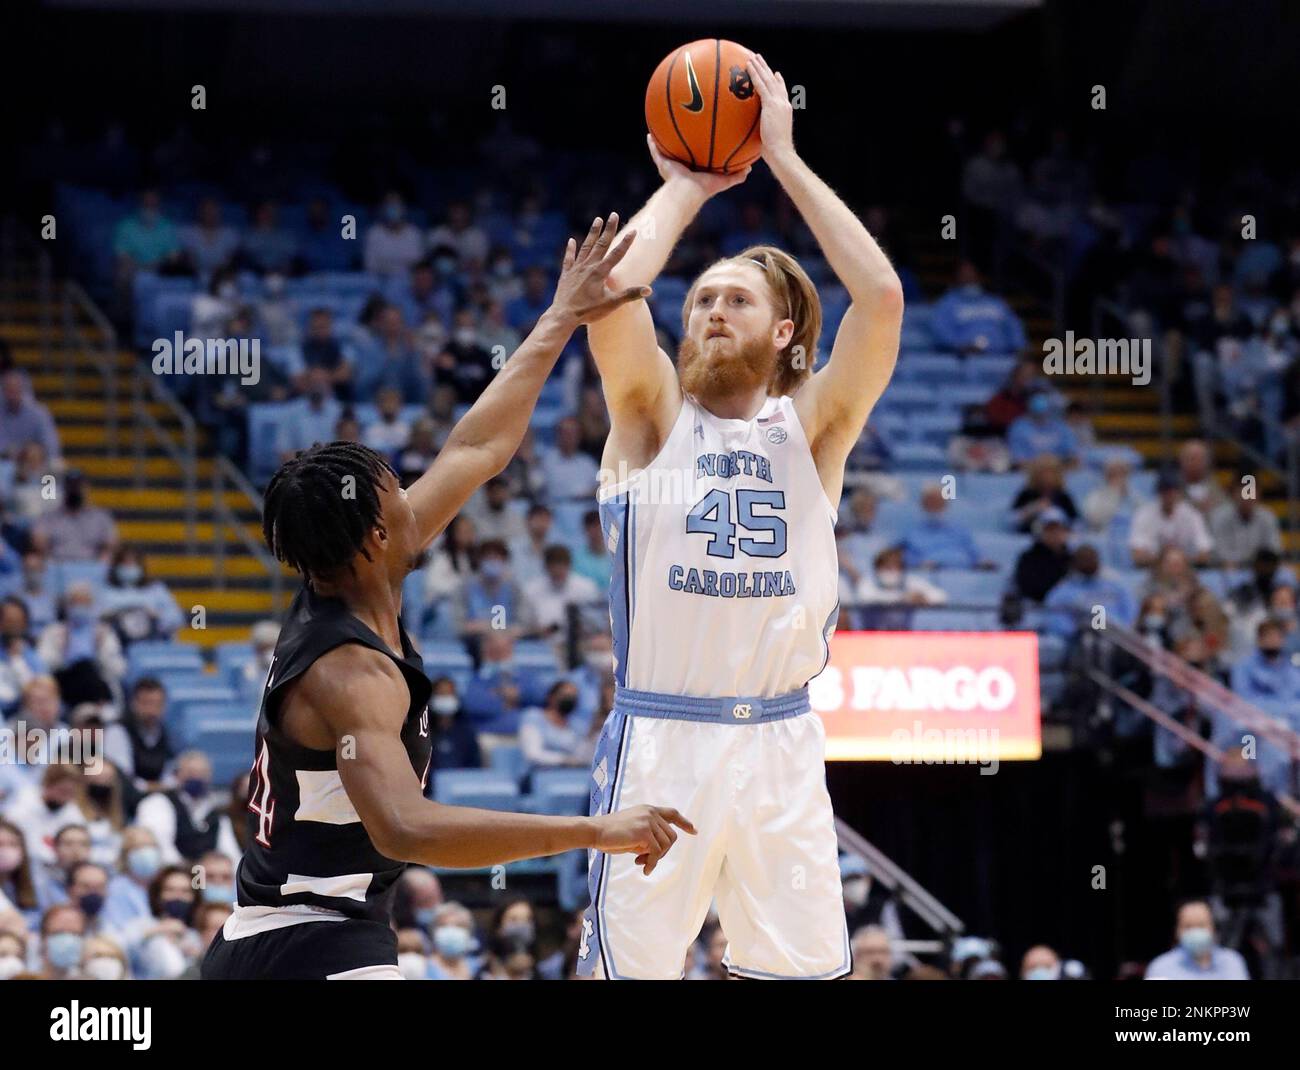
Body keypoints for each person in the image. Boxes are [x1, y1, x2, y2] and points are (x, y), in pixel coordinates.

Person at [200, 216, 692, 981]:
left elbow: (477, 450)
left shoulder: (358, 575)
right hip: (312, 942)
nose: (415, 497)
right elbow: (404, 827)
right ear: (374, 537)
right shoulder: (347, 674)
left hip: (276, 934)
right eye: (398, 493)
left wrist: (560, 316)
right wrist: (593, 829)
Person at [577, 55, 903, 980]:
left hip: (781, 741)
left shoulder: (813, 431)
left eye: (738, 300)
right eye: (703, 299)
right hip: (662, 741)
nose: (715, 311)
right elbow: (606, 297)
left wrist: (784, 158)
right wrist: (685, 186)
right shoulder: (651, 420)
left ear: (785, 333)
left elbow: (880, 301)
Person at [1144, 900, 1249, 979]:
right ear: (1177, 931)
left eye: (1201, 925)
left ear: (1213, 928)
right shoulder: (1160, 967)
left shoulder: (1233, 962)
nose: (1195, 932)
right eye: (1188, 926)